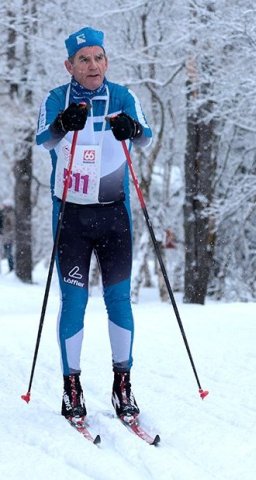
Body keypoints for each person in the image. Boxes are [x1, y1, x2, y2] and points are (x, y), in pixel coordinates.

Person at [36, 27, 152, 422]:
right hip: (71, 215)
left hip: (114, 214)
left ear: (107, 61)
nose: (93, 65)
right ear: (69, 65)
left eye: (98, 57)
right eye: (83, 59)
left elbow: (145, 137)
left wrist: (132, 130)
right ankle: (72, 386)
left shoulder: (123, 96)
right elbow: (43, 139)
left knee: (118, 299)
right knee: (75, 302)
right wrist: (61, 124)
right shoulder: (56, 98)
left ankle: (123, 384)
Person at [0, 200, 15, 272]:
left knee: (9, 253)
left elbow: (11, 225)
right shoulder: (3, 214)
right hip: (5, 236)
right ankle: (11, 268)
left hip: (8, 236)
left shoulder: (10, 214)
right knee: (7, 252)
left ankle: (11, 268)